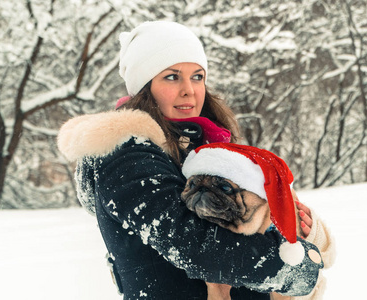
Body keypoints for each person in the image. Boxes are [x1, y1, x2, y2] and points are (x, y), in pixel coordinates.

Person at [58, 21, 333, 299]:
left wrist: (305, 229)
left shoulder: (201, 150)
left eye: (198, 76)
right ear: (144, 86)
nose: (189, 89)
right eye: (172, 77)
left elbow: (249, 218)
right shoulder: (125, 153)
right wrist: (296, 265)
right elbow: (195, 245)